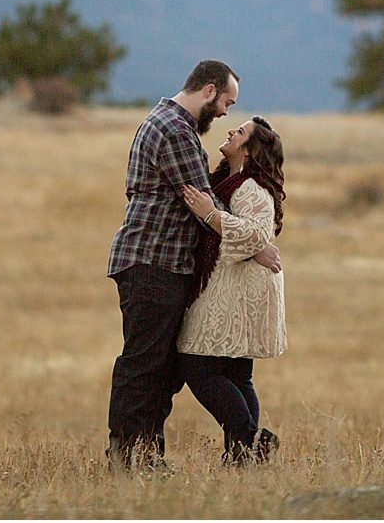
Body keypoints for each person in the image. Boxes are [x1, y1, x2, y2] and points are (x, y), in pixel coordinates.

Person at [105, 60, 281, 470]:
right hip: (155, 260)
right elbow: (202, 200)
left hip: (159, 261)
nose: (224, 114)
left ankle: (145, 456)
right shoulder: (176, 131)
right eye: (226, 103)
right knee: (144, 365)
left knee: (160, 368)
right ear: (208, 90)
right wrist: (254, 243)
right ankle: (129, 458)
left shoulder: (168, 122)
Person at [176, 115, 286, 465]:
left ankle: (249, 440)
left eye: (239, 132)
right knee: (236, 375)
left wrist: (211, 215)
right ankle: (242, 455)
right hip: (233, 287)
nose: (230, 131)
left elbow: (256, 235)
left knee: (198, 366)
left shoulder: (252, 188)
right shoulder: (228, 180)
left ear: (249, 150)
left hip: (237, 293)